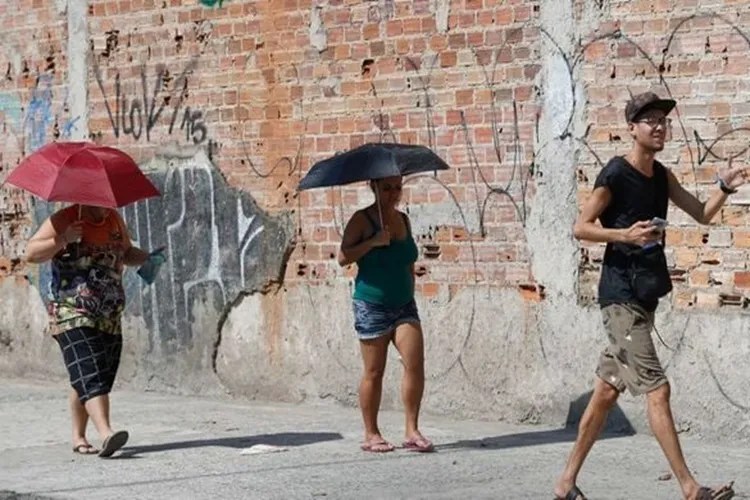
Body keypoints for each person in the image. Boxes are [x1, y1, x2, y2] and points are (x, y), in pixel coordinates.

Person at [553, 92, 746, 500]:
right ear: (632, 128)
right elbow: (581, 227)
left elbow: (701, 212)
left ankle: (565, 482)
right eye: (650, 120)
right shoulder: (615, 174)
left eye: (663, 120)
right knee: (658, 390)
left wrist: (724, 188)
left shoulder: (662, 176)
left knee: (606, 391)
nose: (659, 126)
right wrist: (623, 234)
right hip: (619, 297)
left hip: (645, 296)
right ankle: (691, 488)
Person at [25, 204, 153, 458]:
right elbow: (31, 253)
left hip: (108, 314)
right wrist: (64, 239)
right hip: (71, 311)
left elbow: (126, 253)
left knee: (88, 374)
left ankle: (78, 436)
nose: (107, 207)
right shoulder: (64, 219)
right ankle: (106, 433)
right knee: (90, 371)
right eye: (101, 202)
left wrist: (147, 258)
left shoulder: (114, 220)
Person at [338, 175, 433, 453]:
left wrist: (410, 289)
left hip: (404, 304)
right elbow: (344, 257)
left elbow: (408, 261)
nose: (393, 194)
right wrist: (373, 241)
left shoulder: (403, 220)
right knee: (374, 371)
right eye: (386, 188)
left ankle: (412, 429)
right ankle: (371, 433)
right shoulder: (362, 220)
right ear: (374, 188)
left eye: (397, 188)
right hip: (372, 305)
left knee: (415, 364)